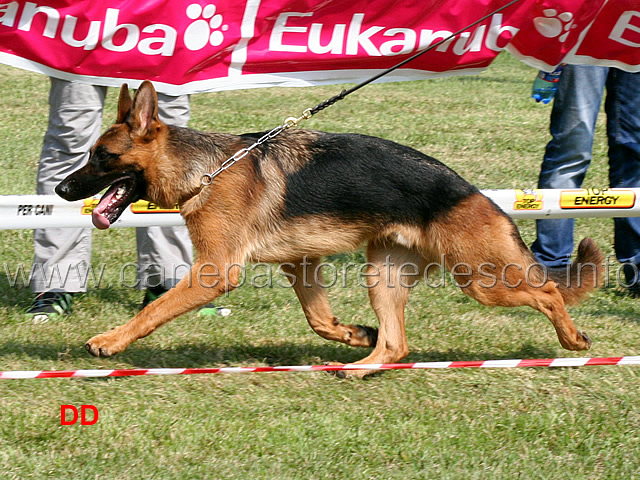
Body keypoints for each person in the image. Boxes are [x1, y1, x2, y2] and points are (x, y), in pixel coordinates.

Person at [26, 78, 194, 321]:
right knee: (70, 136)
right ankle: (55, 284)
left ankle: (169, 282)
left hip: (170, 48)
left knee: (167, 147)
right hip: (84, 46)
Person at [530, 64, 640, 294]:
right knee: (571, 148)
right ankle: (551, 268)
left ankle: (637, 268)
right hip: (587, 37)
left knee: (634, 149)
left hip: (633, 35)